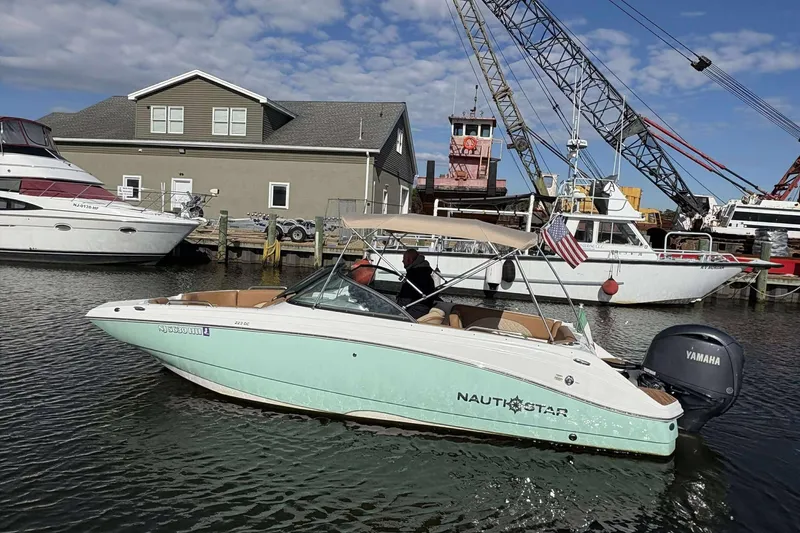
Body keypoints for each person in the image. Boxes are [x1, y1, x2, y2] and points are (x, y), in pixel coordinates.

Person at [396, 248, 438, 319]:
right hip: (425, 307)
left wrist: (393, 307)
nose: (402, 261)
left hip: (417, 310)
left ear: (410, 260)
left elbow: (405, 299)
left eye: (404, 258)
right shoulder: (424, 273)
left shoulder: (414, 275)